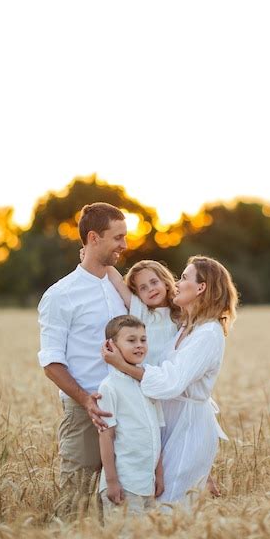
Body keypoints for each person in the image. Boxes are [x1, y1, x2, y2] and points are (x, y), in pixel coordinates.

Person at [102, 255, 238, 505]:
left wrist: (122, 366)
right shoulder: (188, 327)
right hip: (167, 419)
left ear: (201, 287)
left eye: (184, 277)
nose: (177, 282)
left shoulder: (208, 333)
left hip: (187, 425)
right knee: (158, 501)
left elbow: (171, 382)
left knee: (170, 506)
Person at [37, 202, 128, 516]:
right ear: (94, 238)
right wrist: (85, 399)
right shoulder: (61, 295)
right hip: (86, 411)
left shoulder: (120, 288)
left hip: (128, 407)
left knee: (120, 505)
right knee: (75, 503)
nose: (124, 245)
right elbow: (51, 361)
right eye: (117, 237)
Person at [97, 315, 164, 518]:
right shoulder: (109, 387)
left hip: (147, 483)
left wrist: (158, 474)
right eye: (131, 340)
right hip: (124, 483)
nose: (139, 345)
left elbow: (156, 432)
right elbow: (106, 436)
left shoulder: (149, 383)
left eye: (143, 340)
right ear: (111, 345)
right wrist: (111, 481)